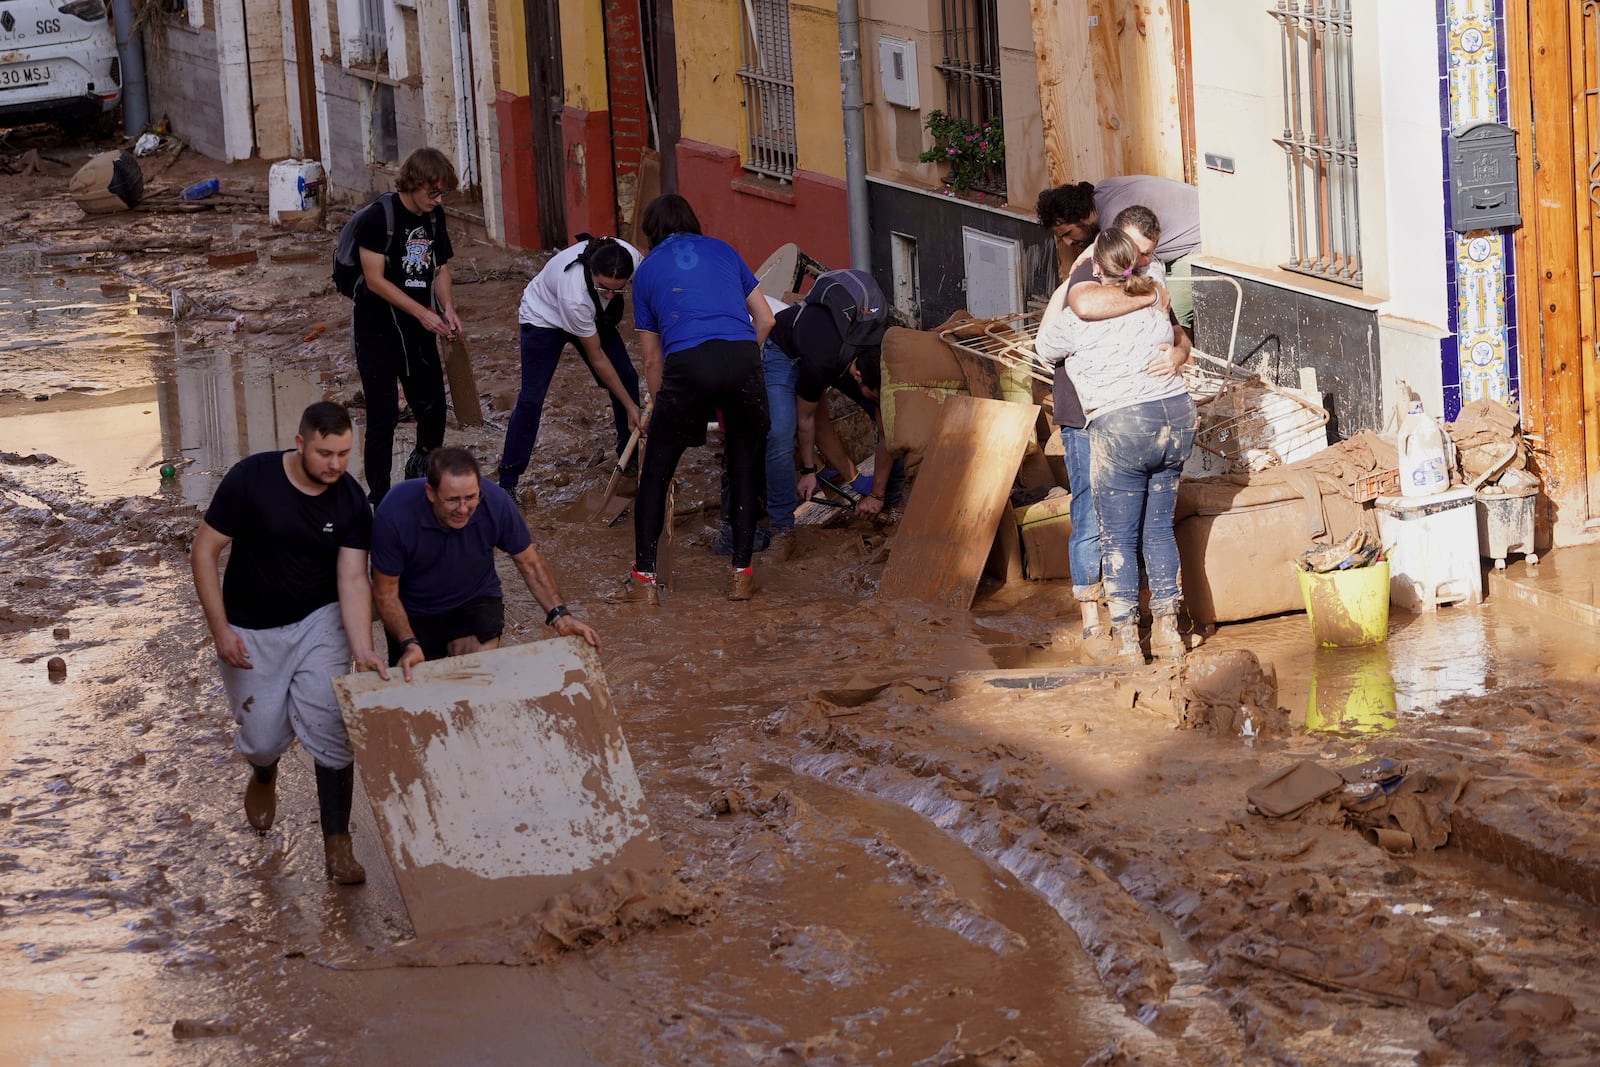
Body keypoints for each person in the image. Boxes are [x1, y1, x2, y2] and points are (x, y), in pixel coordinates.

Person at [190, 401, 389, 885]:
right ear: (300, 443)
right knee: (262, 739)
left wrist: (361, 646)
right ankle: (263, 772)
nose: (336, 464)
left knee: (332, 726)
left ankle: (337, 846)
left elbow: (352, 579)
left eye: (344, 453)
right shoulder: (250, 479)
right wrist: (220, 630)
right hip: (250, 628)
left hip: (318, 624)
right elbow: (205, 549)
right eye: (325, 453)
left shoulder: (349, 500)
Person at [1035, 228, 1197, 666]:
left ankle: (1127, 640)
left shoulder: (1078, 318)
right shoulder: (1156, 307)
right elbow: (1181, 339)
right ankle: (1168, 633)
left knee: (1118, 537)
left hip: (1125, 426)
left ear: (1095, 272)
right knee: (1159, 529)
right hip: (1176, 419)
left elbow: (1043, 344)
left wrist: (1065, 288)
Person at [620, 193, 773, 604]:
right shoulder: (724, 250)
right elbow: (767, 319)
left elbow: (653, 359)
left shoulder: (647, 270)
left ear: (651, 231)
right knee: (742, 470)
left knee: (655, 474)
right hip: (742, 357)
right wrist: (740, 361)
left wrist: (659, 407)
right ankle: (741, 576)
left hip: (687, 363)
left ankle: (643, 582)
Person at [371, 447, 599, 679]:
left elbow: (530, 564)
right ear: (430, 492)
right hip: (413, 611)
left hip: (473, 600)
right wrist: (408, 642)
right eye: (452, 500)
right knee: (420, 683)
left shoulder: (495, 502)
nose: (463, 509)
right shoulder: (394, 513)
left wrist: (560, 616)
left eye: (470, 497)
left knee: (475, 672)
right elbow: (385, 592)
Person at [352, 146, 463, 507]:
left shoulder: (434, 217)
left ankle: (421, 480)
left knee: (433, 410)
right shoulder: (378, 217)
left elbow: (440, 267)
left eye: (442, 192)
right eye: (433, 192)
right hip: (378, 328)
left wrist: (446, 308)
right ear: (413, 183)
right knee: (382, 418)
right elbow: (375, 281)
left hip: (419, 328)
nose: (438, 199)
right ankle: (381, 499)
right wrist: (422, 312)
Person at [495, 235, 645, 499]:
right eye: (603, 288)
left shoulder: (631, 258)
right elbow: (597, 357)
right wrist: (632, 407)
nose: (610, 295)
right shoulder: (573, 294)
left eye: (618, 290)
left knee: (627, 378)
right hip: (544, 317)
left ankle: (628, 455)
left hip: (591, 315)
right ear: (591, 271)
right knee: (532, 398)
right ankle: (508, 479)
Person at [767, 269, 900, 531]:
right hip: (783, 350)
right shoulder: (820, 363)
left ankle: (890, 503)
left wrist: (876, 494)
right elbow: (810, 419)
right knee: (781, 434)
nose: (876, 400)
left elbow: (888, 433)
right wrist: (809, 471)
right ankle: (781, 526)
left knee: (892, 418)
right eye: (874, 394)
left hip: (836, 351)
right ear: (859, 376)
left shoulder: (882, 350)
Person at [1036, 176, 1201, 326]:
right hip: (1197, 219)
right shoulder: (1102, 190)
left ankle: (1181, 355)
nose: (1068, 242)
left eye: (1068, 233)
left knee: (1169, 314)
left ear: (1083, 217)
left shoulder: (1115, 224)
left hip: (1202, 240)